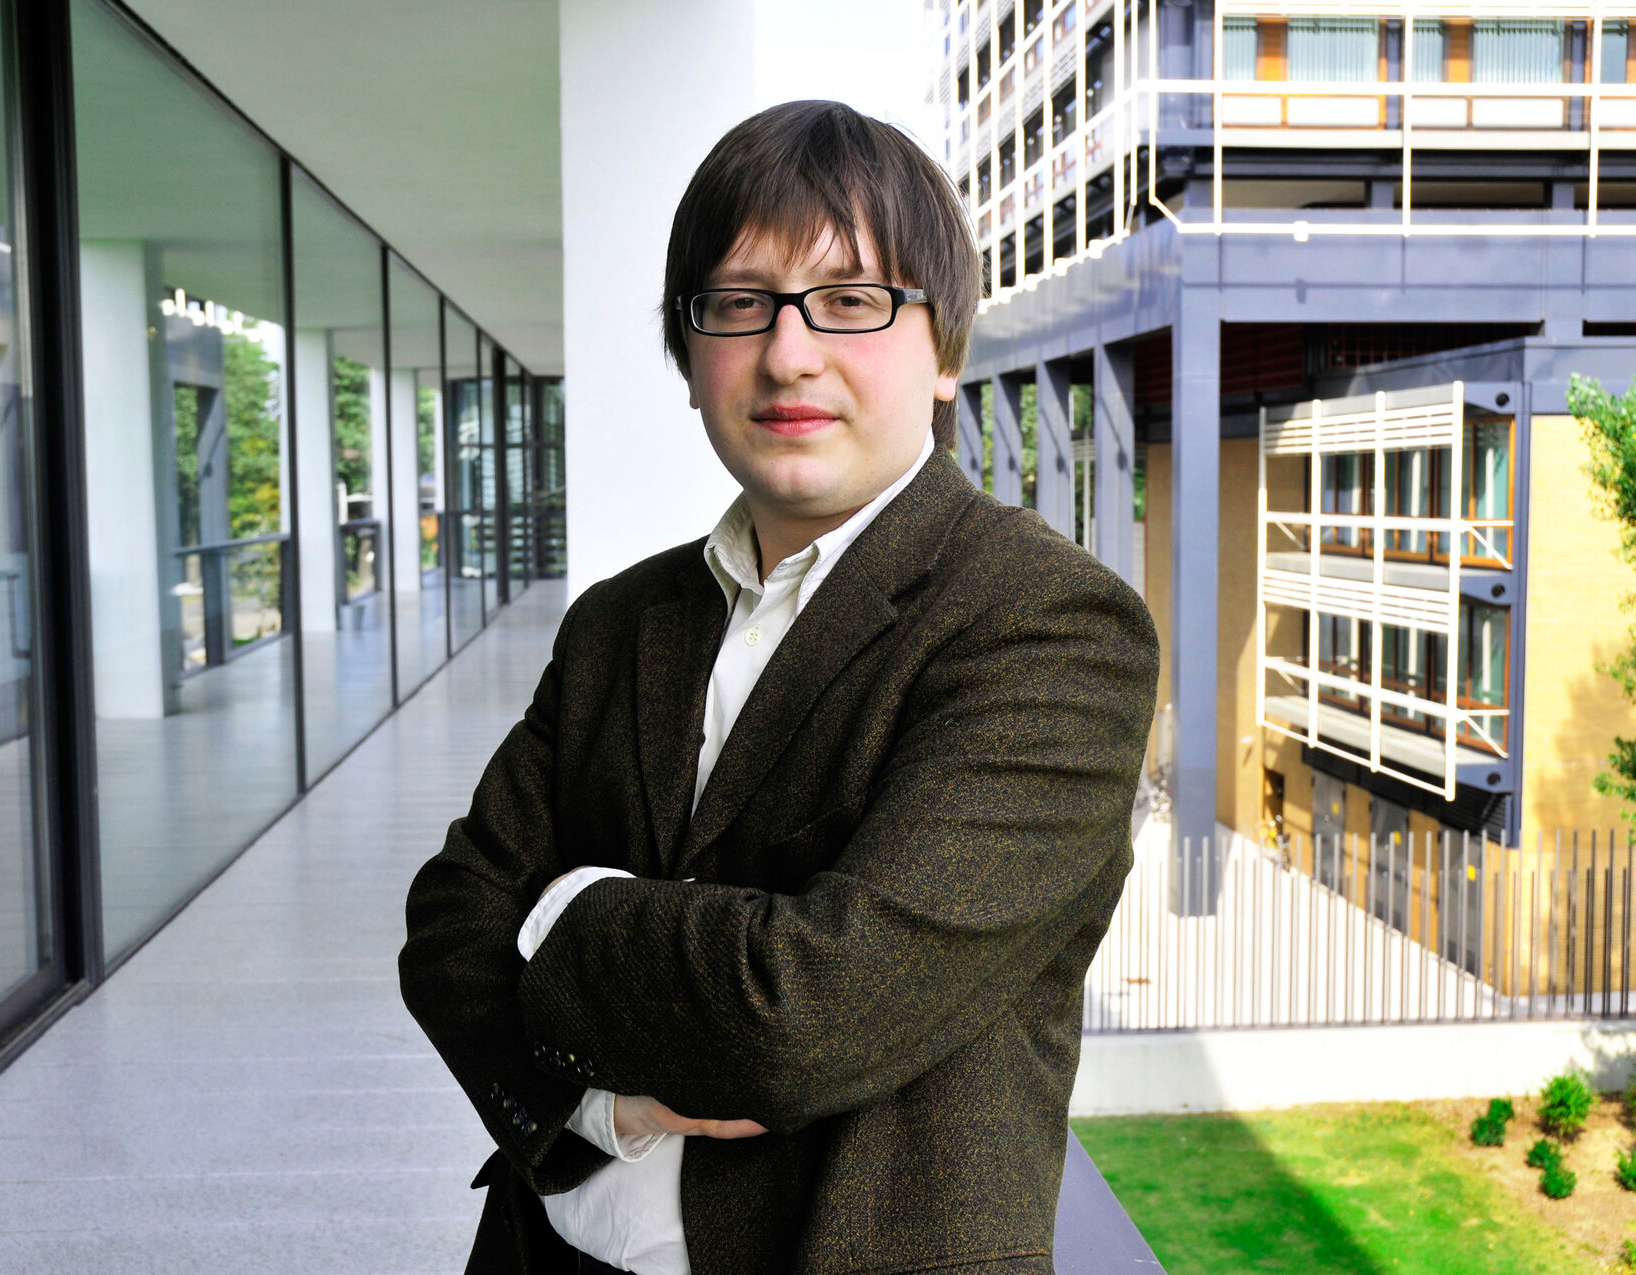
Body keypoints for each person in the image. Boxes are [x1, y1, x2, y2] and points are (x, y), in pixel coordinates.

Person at [399, 99, 1159, 1275]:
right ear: (689, 349)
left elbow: (809, 1013)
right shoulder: (618, 622)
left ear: (945, 352)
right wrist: (597, 1106)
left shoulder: (1048, 625)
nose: (788, 353)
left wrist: (561, 909)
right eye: (740, 303)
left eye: (851, 300)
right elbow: (450, 921)